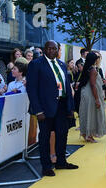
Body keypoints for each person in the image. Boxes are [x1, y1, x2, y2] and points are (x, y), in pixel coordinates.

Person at [26, 40, 78, 177]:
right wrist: (38, 110)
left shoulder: (61, 64)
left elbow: (66, 86)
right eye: (48, 48)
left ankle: (61, 161)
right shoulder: (36, 64)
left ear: (57, 50)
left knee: (62, 134)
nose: (51, 51)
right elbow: (31, 89)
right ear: (44, 49)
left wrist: (70, 107)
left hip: (61, 105)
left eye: (54, 49)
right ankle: (46, 166)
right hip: (45, 107)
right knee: (44, 137)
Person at [78, 51, 106, 143]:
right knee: (91, 114)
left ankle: (85, 133)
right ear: (95, 60)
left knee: (86, 113)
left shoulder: (88, 68)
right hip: (90, 94)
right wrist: (97, 99)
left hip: (85, 93)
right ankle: (89, 135)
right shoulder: (93, 70)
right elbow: (93, 85)